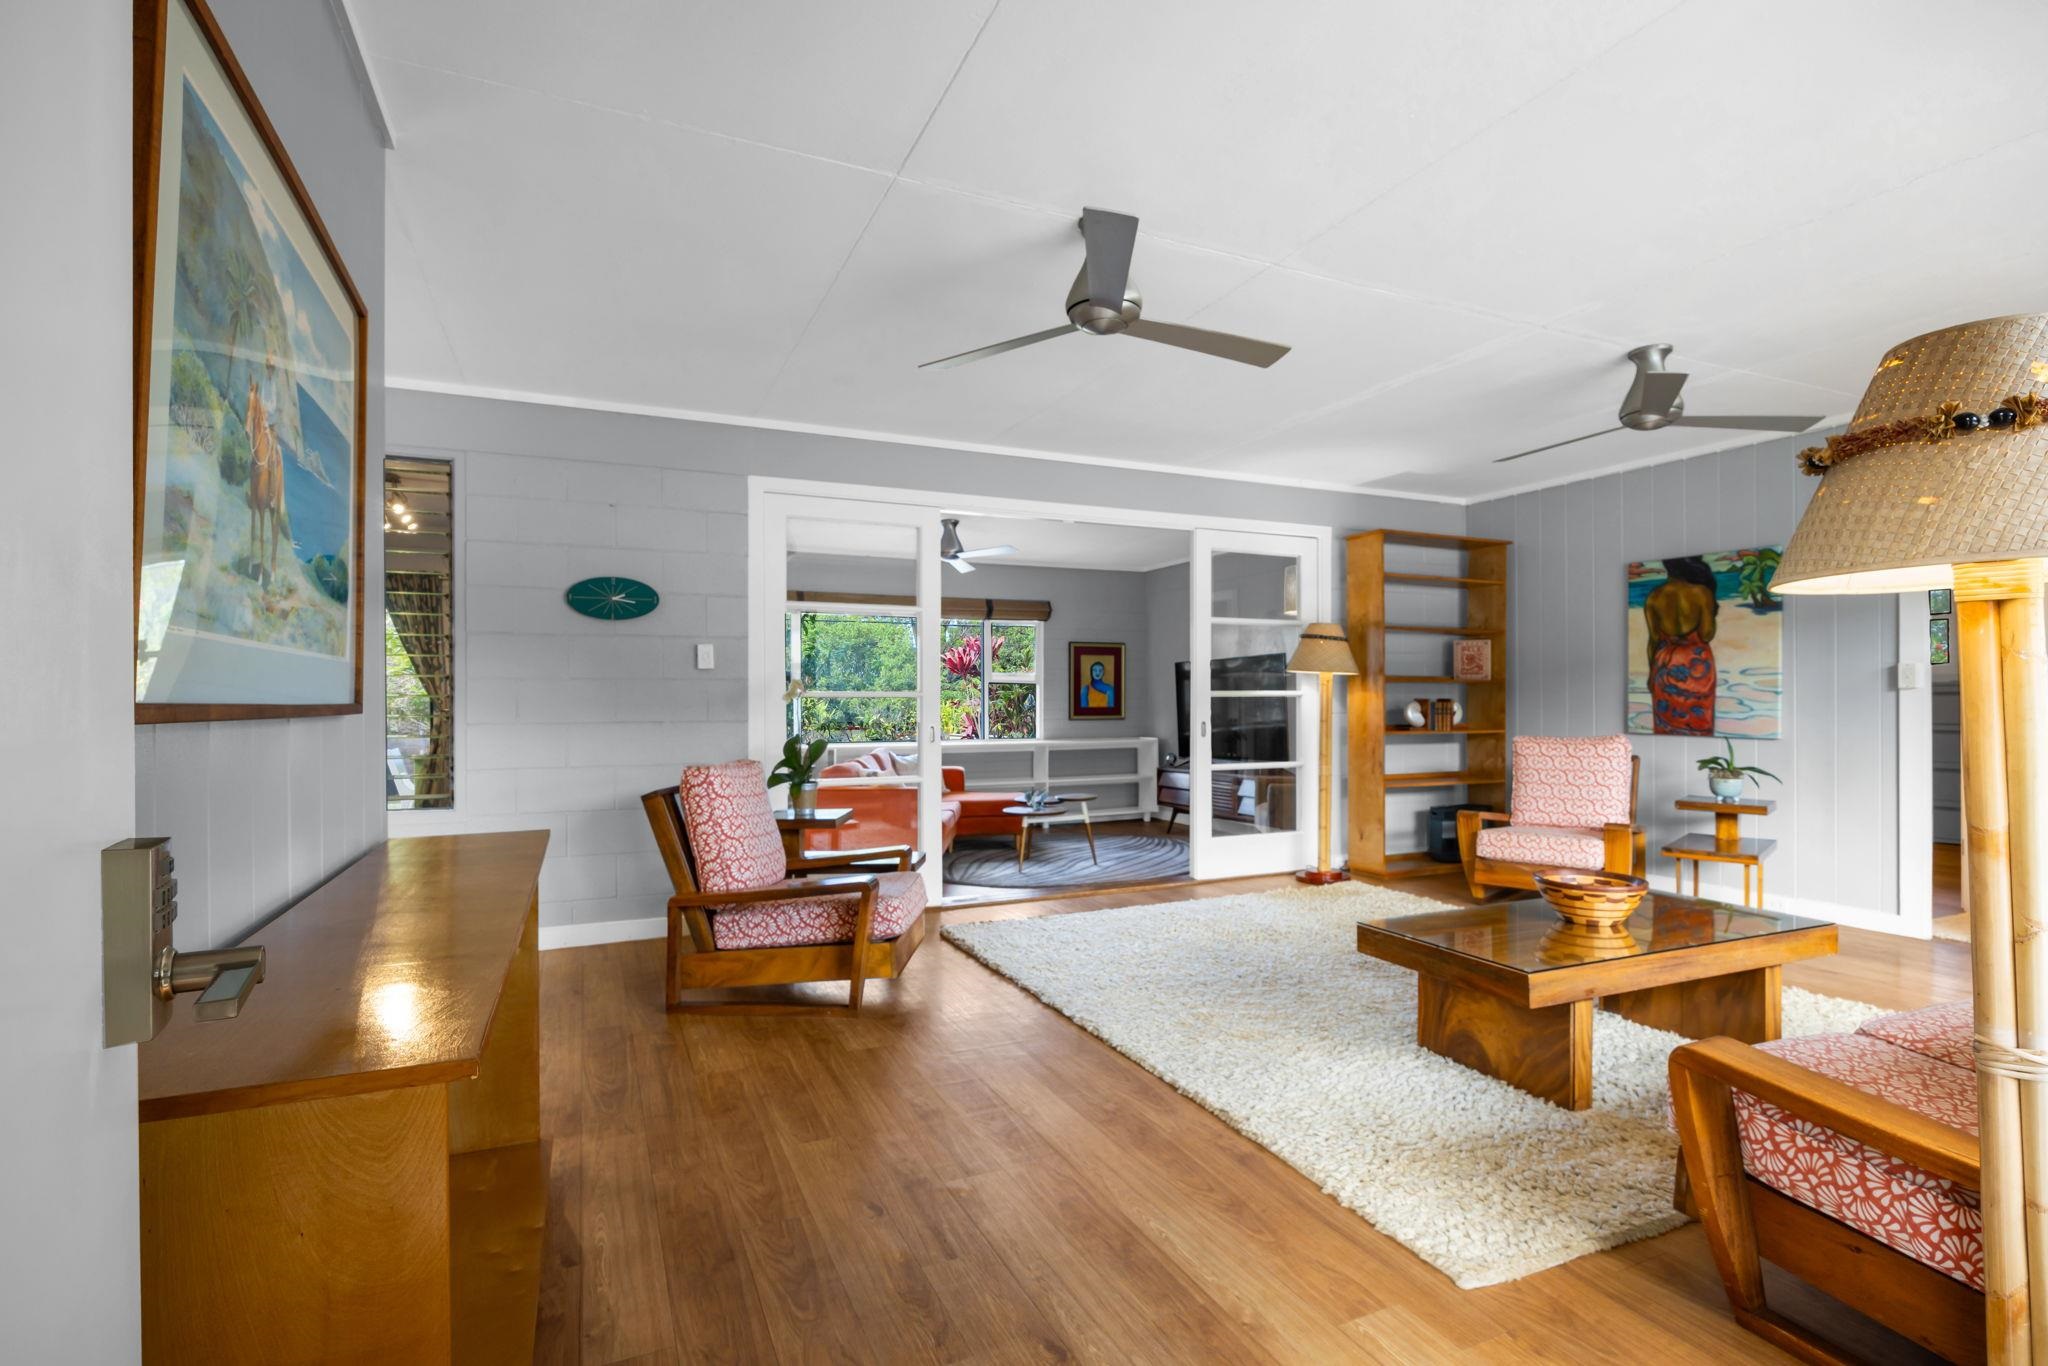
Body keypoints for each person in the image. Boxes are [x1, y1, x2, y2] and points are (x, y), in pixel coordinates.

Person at [1643, 556, 1718, 734]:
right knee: (1699, 722)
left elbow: (1653, 639)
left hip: (1664, 665)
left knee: (1665, 723)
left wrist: (1650, 675)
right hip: (1696, 665)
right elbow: (1707, 634)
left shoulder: (1654, 596)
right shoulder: (1701, 593)